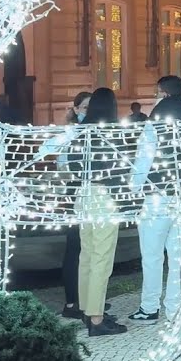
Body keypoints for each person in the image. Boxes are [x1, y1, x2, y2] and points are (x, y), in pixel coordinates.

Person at [131, 75, 181, 325]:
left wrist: (134, 187)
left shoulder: (156, 122)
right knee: (179, 257)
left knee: (151, 256)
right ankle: (175, 308)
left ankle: (149, 308)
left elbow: (144, 157)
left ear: (162, 92)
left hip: (158, 196)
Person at [77, 87, 127, 336]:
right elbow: (117, 170)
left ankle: (87, 311)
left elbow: (74, 165)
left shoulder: (82, 130)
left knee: (86, 255)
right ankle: (96, 319)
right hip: (103, 196)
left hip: (83, 193)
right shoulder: (112, 132)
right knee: (101, 259)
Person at [59, 90, 92, 321]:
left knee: (87, 247)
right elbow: (62, 164)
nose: (88, 113)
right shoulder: (70, 133)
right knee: (75, 246)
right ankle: (72, 302)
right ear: (77, 109)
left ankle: (88, 298)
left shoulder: (91, 131)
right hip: (75, 191)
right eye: (85, 108)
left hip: (88, 191)